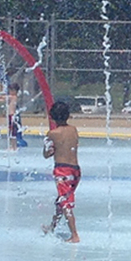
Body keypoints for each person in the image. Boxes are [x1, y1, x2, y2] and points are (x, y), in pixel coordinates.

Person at [42, 100, 81, 243]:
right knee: (61, 201)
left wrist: (51, 150)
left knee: (65, 203)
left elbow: (46, 154)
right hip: (76, 171)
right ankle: (52, 227)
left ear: (52, 117)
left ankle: (74, 235)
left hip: (63, 171)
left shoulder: (52, 133)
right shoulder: (74, 130)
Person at [5, 82, 28, 148]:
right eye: (10, 90)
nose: (10, 92)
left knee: (13, 133)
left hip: (13, 117)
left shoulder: (14, 97)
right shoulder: (11, 97)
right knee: (11, 132)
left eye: (12, 90)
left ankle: (14, 147)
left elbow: (3, 98)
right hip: (11, 116)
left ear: (16, 91)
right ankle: (12, 146)